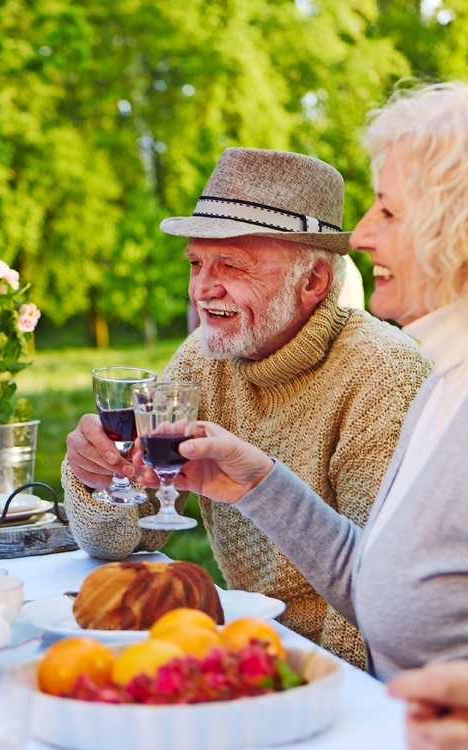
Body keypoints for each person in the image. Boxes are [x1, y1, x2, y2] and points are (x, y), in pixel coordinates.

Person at [146, 83, 468, 750]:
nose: (362, 235)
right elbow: (378, 584)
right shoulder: (465, 364)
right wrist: (257, 484)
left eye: (388, 210)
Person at [63, 148, 431, 668]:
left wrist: (305, 685)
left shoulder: (382, 374)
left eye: (231, 265)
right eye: (195, 263)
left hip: (326, 673)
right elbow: (127, 537)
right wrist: (98, 479)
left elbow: (376, 597)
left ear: (313, 283)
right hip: (248, 645)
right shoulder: (204, 357)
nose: (201, 289)